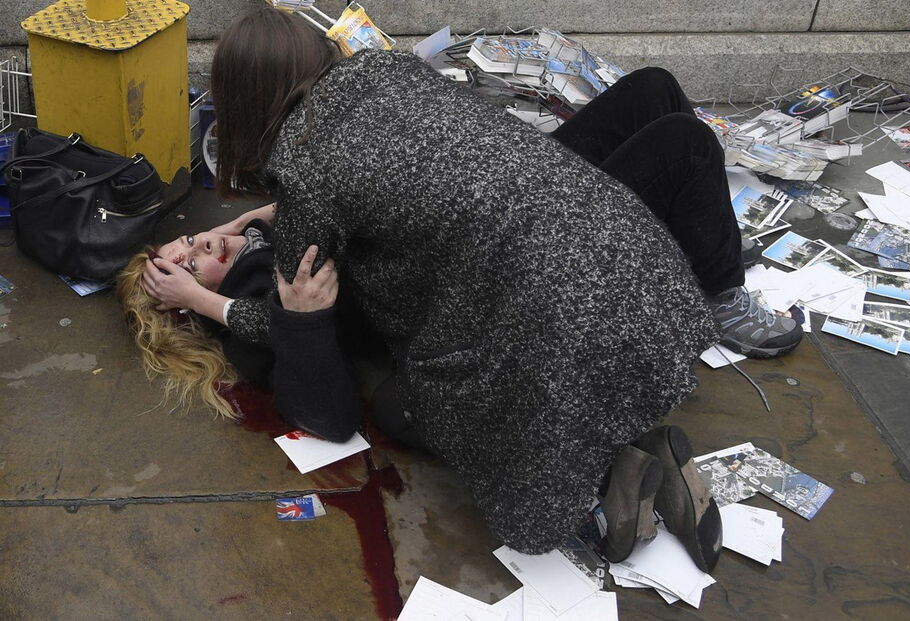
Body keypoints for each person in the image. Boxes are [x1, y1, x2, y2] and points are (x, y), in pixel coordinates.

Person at [140, 7, 804, 569]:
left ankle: (607, 478)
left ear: (244, 100)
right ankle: (627, 451)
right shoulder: (383, 70)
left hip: (546, 295)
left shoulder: (308, 189)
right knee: (658, 117)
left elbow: (301, 325)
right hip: (639, 257)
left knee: (424, 410)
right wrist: (250, 236)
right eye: (194, 255)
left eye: (192, 243)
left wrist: (205, 293)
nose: (203, 242)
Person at [117, 213, 364, 442]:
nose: (205, 244)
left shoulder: (253, 238)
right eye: (193, 265)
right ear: (190, 301)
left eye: (190, 239)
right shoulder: (248, 322)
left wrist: (239, 224)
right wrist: (198, 299)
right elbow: (330, 413)